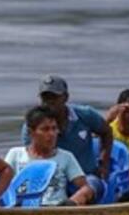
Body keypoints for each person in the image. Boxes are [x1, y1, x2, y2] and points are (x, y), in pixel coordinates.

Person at [20, 74, 113, 202]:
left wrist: (104, 162)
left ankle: (70, 206)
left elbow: (107, 132)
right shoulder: (32, 125)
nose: (49, 102)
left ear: (65, 97)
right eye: (45, 98)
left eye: (54, 97)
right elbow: (30, 159)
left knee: (90, 185)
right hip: (53, 180)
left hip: (84, 176)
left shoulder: (85, 115)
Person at [4, 104, 94, 206]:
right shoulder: (16, 155)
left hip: (57, 208)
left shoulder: (66, 157)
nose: (51, 134)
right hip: (22, 207)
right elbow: (1, 185)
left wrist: (73, 201)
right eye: (45, 129)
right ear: (31, 132)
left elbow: (86, 188)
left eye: (54, 129)